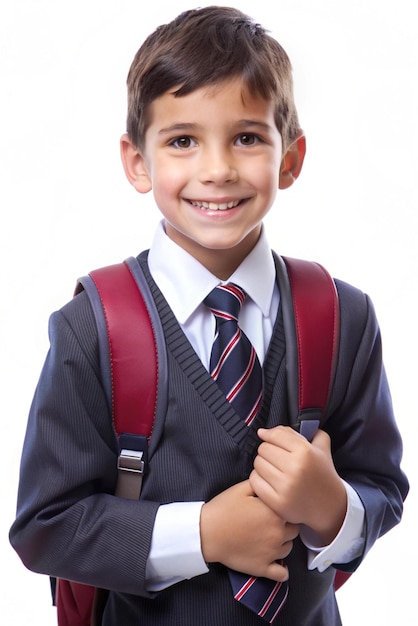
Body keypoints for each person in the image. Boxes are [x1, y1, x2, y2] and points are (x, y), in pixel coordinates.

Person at [9, 6, 408, 625]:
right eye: (182, 140)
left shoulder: (341, 315)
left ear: (291, 158)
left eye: (247, 137)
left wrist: (334, 508)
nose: (217, 169)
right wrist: (203, 534)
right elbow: (45, 528)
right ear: (137, 161)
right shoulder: (94, 327)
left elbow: (383, 486)